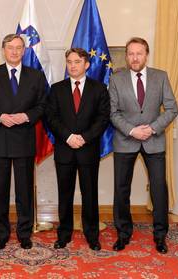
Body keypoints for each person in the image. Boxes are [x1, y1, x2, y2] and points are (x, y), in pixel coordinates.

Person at [109, 37, 178, 254]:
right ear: (127, 55)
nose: (135, 57)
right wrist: (132, 130)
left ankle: (160, 236)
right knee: (121, 189)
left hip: (154, 140)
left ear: (146, 54)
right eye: (130, 53)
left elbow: (172, 109)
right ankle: (123, 233)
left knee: (159, 189)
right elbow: (113, 112)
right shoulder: (116, 78)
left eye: (139, 53)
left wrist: (152, 128)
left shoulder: (161, 76)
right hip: (125, 140)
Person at [0, 34, 46, 250]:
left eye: (19, 48)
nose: (15, 52)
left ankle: (24, 233)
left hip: (24, 140)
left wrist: (26, 116)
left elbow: (43, 105)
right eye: (10, 48)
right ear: (3, 50)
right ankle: (1, 233)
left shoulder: (35, 76)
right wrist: (0, 116)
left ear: (24, 50)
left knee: (24, 191)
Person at [46, 48, 110, 251]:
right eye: (69, 62)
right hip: (64, 150)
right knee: (64, 194)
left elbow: (103, 118)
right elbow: (51, 118)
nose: (72, 65)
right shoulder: (57, 89)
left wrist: (84, 137)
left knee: (89, 195)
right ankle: (64, 234)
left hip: (88, 150)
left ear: (87, 64)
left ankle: (92, 235)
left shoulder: (99, 89)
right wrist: (68, 137)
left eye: (77, 61)